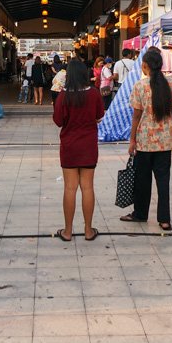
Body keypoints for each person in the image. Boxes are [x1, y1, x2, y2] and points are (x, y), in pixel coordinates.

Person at [120, 48, 172, 230]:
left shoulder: (140, 86)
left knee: (142, 181)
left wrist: (132, 140)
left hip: (145, 141)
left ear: (145, 66)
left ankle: (140, 214)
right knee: (163, 181)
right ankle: (164, 219)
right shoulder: (170, 83)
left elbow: (136, 116)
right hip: (165, 141)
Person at [52, 59, 105, 242]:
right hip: (89, 145)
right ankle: (88, 230)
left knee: (70, 188)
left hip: (69, 146)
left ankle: (67, 231)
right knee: (88, 187)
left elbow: (58, 121)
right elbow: (100, 115)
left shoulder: (63, 96)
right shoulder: (94, 94)